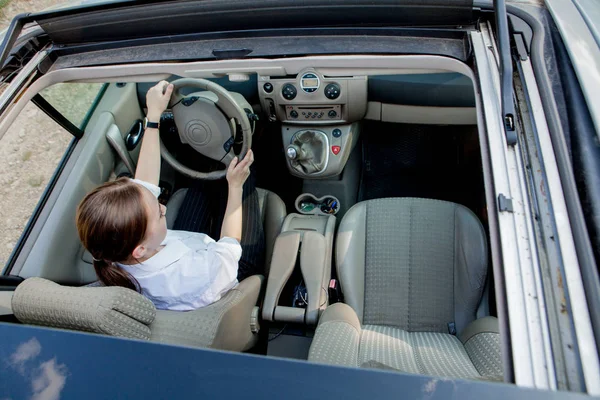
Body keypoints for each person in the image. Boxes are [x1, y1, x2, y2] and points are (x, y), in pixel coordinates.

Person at [76, 81, 265, 311]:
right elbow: (229, 247)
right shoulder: (187, 276)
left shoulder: (119, 251)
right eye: (158, 212)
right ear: (140, 249)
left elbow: (144, 184)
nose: (163, 207)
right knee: (244, 171)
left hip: (185, 249)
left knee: (205, 165)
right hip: (228, 270)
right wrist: (235, 187)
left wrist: (154, 115)